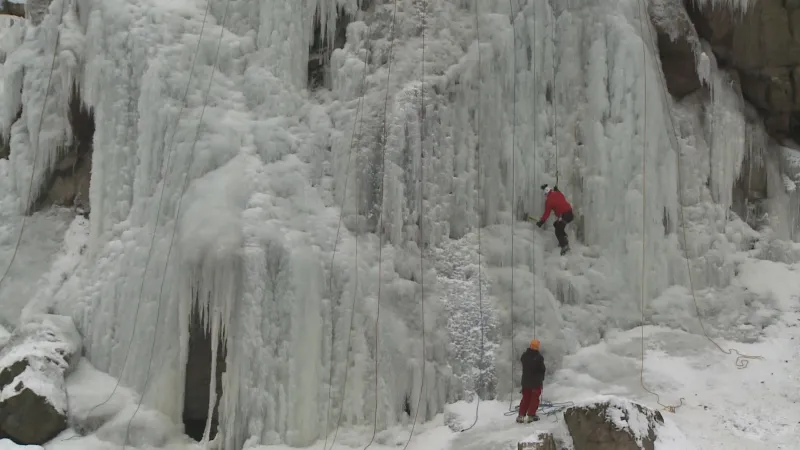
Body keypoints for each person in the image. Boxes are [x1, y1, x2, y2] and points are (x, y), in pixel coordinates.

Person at [530, 184, 573, 255]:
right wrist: (556, 190)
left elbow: (546, 214)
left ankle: (565, 246)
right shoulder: (558, 193)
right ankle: (564, 238)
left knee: (558, 231)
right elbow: (559, 195)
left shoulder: (549, 201)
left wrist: (541, 222)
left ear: (546, 194)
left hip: (564, 216)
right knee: (556, 224)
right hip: (570, 214)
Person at [516, 339, 546, 423]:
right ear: (537, 347)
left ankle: (521, 415)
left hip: (526, 382)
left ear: (530, 346)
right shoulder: (539, 357)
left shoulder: (524, 356)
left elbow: (524, 362)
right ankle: (531, 415)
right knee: (534, 399)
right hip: (536, 382)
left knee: (525, 398)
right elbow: (542, 369)